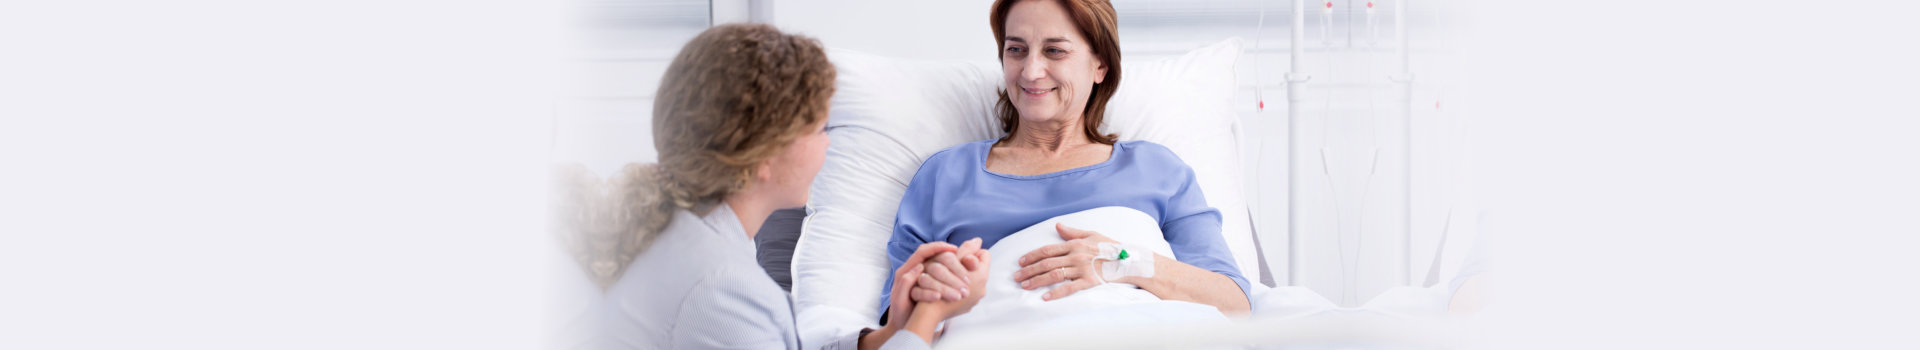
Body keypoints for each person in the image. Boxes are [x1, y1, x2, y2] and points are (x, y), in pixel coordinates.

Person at [548, 23, 960, 350]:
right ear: (765, 156)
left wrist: (887, 336)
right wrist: (930, 314)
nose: (829, 142)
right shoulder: (723, 289)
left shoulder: (689, 234)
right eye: (819, 129)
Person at [875, 0, 1254, 337]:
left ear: (1100, 65)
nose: (1030, 71)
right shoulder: (945, 175)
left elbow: (1233, 303)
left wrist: (1120, 262)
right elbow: (897, 325)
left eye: (1054, 51)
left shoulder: (1157, 169)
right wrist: (933, 290)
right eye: (1016, 50)